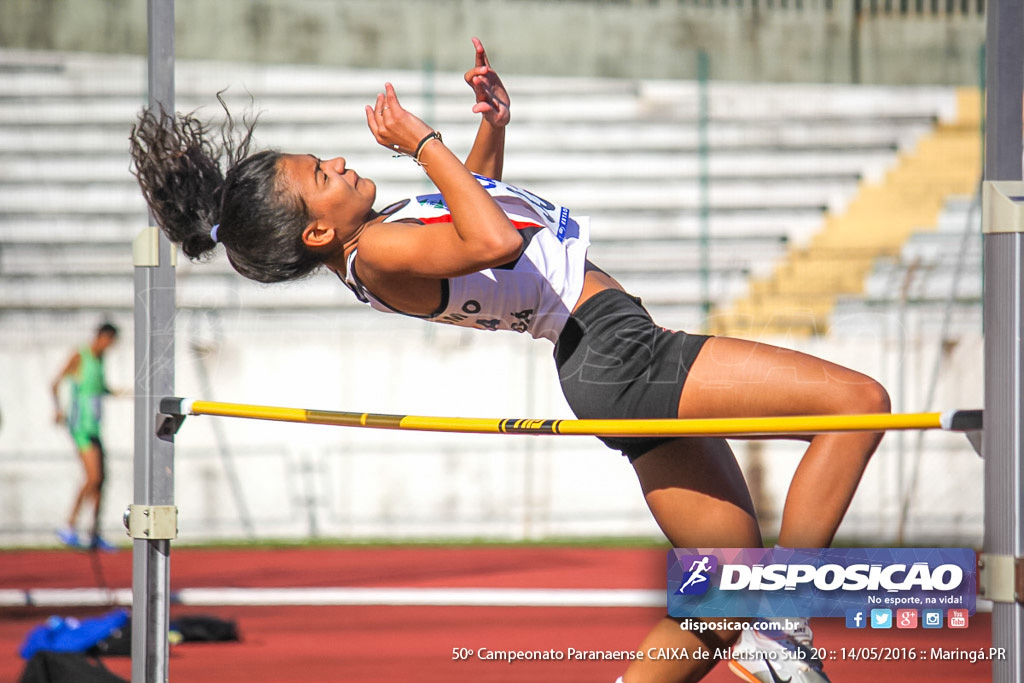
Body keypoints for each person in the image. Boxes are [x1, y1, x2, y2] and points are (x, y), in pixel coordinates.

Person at [129, 38, 890, 683]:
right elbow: (495, 240)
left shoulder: (387, 238)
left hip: (603, 356)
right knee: (857, 404)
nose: (336, 160)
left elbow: (477, 211)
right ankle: (783, 617)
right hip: (618, 351)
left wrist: (489, 128)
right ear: (319, 234)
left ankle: (758, 621)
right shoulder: (381, 250)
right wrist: (423, 143)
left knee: (718, 605)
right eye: (321, 176)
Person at [51, 322, 120, 552]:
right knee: (93, 477)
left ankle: (94, 532)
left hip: (95, 427)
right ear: (101, 336)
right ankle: (68, 525)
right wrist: (58, 408)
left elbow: (99, 389)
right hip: (80, 427)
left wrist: (122, 392)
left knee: (102, 481)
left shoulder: (101, 361)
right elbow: (55, 382)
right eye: (109, 341)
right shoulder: (80, 355)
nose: (110, 346)